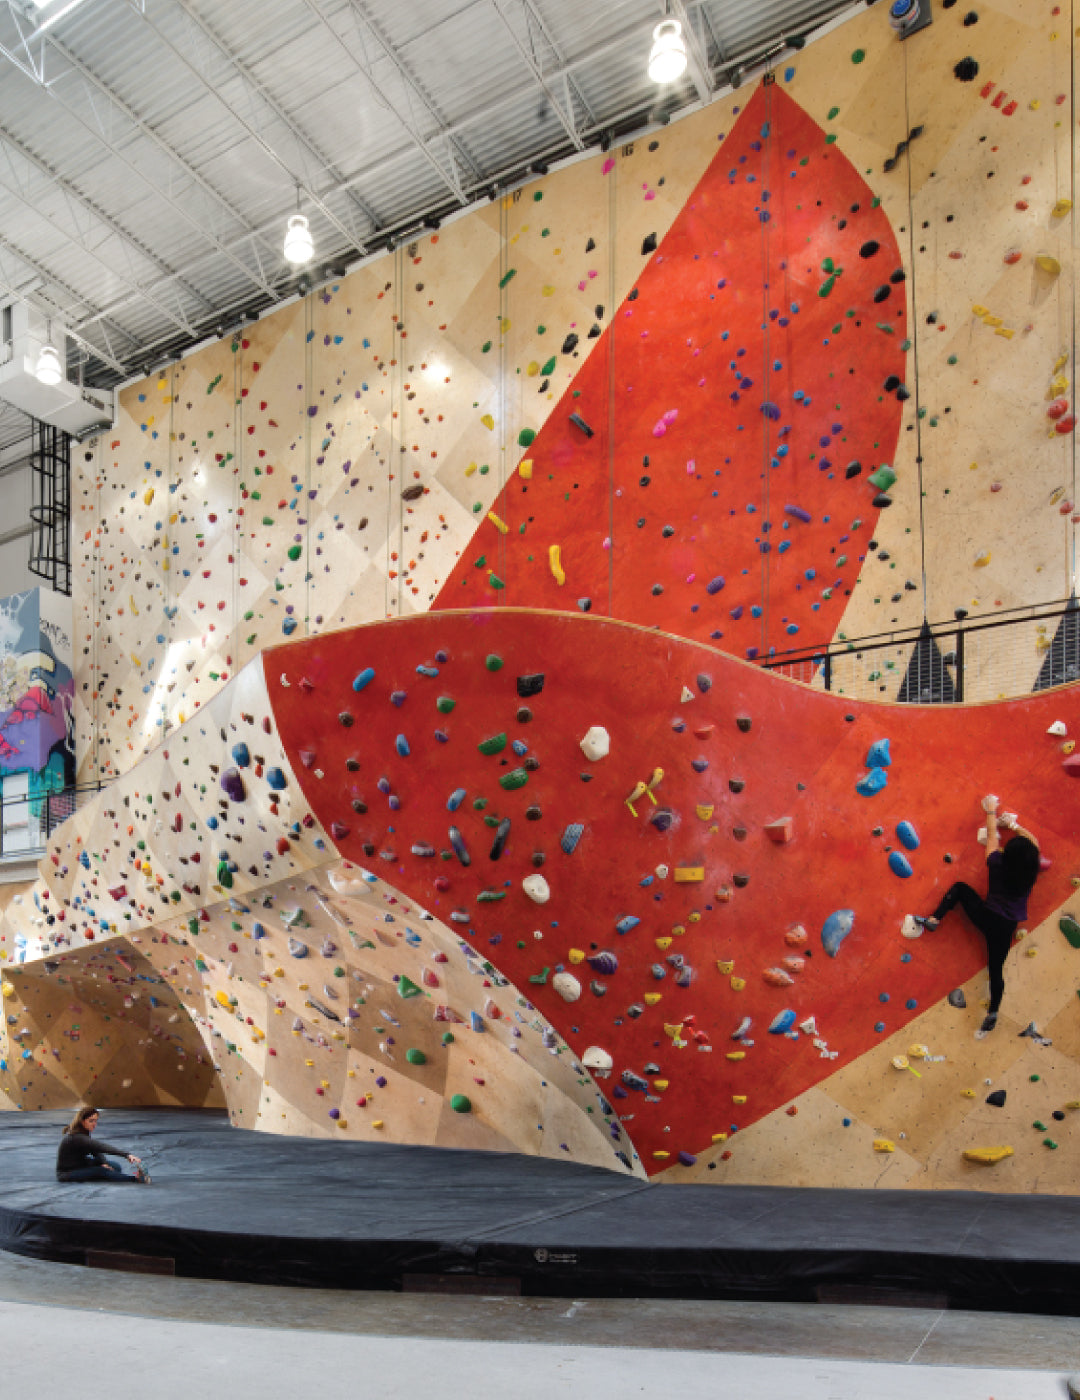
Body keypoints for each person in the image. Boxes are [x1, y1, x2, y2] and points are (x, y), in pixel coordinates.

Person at [915, 794, 1041, 1039]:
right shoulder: (1030, 873)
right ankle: (993, 1011)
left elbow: (992, 837)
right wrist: (1014, 826)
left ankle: (934, 920)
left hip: (986, 915)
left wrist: (991, 811)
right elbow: (1033, 844)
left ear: (1006, 856)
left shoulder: (996, 863)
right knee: (996, 970)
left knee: (960, 888)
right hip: (1005, 927)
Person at [56, 1106, 148, 1183]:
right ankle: (135, 1180)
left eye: (96, 1121)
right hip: (68, 1173)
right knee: (102, 1171)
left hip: (81, 1164)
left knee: (115, 1166)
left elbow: (95, 1151)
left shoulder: (84, 1133)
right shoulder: (77, 1137)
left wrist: (104, 1163)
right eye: (91, 1121)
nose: (94, 1124)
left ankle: (102, 1174)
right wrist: (126, 1155)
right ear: (82, 1121)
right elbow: (101, 1147)